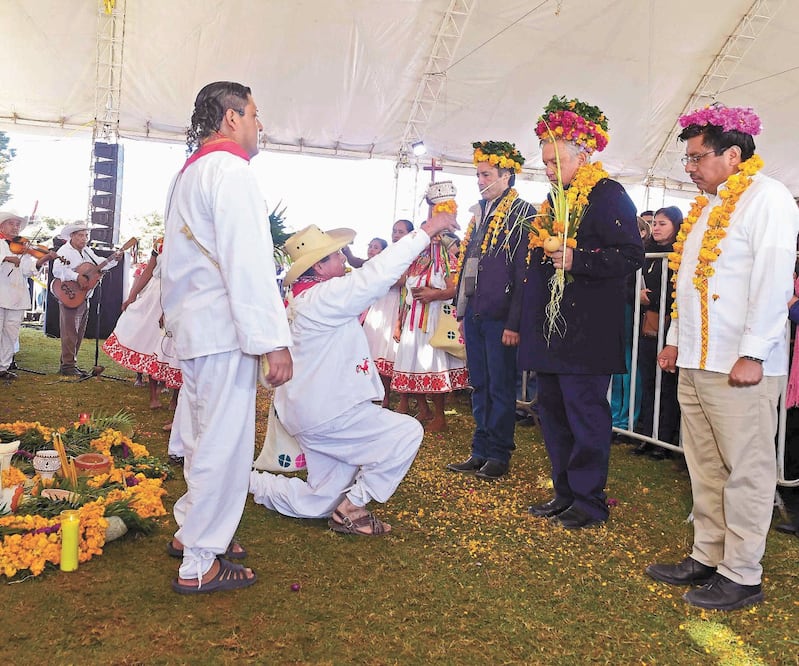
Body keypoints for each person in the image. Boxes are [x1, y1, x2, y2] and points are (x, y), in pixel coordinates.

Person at [645, 103, 799, 611]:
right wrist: (672, 338)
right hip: (695, 359)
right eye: (686, 159)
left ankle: (743, 572)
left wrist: (754, 353)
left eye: (697, 157)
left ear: (734, 155)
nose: (689, 167)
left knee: (745, 469)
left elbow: (773, 281)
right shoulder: (706, 206)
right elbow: (688, 288)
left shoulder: (769, 198)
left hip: (739, 365)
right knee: (704, 465)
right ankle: (707, 555)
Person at [160, 81, 293, 594]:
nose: (261, 125)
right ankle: (199, 561)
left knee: (199, 436)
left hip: (198, 326)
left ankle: (192, 529)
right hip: (222, 328)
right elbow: (248, 262)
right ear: (232, 118)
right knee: (223, 443)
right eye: (256, 114)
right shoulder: (231, 171)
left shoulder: (189, 172)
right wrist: (272, 340)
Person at [250, 212, 458, 535]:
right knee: (406, 434)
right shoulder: (322, 298)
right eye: (335, 256)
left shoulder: (305, 297)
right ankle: (353, 507)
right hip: (330, 412)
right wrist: (426, 231)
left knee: (320, 499)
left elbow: (369, 281)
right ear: (318, 267)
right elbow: (374, 276)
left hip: (312, 410)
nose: (343, 260)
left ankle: (247, 482)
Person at [520, 96, 644, 529]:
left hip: (586, 334)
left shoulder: (608, 194)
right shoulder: (555, 201)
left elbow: (631, 255)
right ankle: (564, 494)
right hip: (553, 334)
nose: (549, 171)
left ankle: (590, 503)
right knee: (552, 414)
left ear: (584, 155)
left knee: (585, 417)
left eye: (555, 162)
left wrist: (580, 260)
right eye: (546, 164)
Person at [446, 141, 535, 480]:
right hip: (476, 312)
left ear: (507, 176)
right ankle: (480, 449)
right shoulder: (480, 213)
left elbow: (523, 271)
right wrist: (461, 306)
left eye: (486, 175)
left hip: (501, 316)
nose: (480, 181)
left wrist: (515, 321)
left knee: (500, 386)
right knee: (480, 385)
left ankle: (499, 454)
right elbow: (470, 264)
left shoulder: (522, 212)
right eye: (478, 175)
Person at [390, 212, 469, 432]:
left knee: (432, 366)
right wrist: (400, 321)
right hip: (413, 319)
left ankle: (440, 416)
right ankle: (423, 408)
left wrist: (433, 295)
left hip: (433, 318)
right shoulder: (415, 261)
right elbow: (405, 293)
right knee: (411, 364)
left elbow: (455, 289)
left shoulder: (447, 259)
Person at [102, 237, 182, 423]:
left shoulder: (190, 240)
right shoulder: (160, 242)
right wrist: (131, 296)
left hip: (176, 295)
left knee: (173, 346)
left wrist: (171, 307)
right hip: (154, 296)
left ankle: (175, 398)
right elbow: (147, 272)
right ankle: (153, 395)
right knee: (150, 340)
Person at [632, 206, 683, 459]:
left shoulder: (679, 254)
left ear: (676, 226)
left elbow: (672, 292)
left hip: (669, 328)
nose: (657, 227)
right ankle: (646, 435)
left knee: (667, 384)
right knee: (648, 381)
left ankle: (664, 438)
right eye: (655, 224)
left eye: (663, 223)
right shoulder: (646, 252)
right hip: (647, 327)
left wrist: (648, 298)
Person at [52, 222, 122, 377]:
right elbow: (57, 270)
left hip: (83, 296)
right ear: (72, 236)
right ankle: (68, 365)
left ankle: (69, 363)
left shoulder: (87, 251)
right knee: (70, 331)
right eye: (81, 235)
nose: (84, 239)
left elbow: (100, 263)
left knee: (78, 331)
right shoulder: (64, 251)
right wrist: (77, 276)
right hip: (70, 294)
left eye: (86, 235)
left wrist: (114, 259)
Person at [361, 220, 414, 406]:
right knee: (371, 350)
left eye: (401, 231)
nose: (396, 235)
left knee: (388, 351)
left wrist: (379, 280)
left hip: (395, 305)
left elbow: (402, 280)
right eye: (394, 231)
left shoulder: (411, 253)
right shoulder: (389, 253)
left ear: (410, 234)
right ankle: (368, 394)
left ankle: (386, 397)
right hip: (378, 304)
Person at [0, 211, 55, 379]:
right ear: (2, 225)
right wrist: (7, 258)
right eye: (12, 223)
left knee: (11, 333)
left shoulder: (23, 247)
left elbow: (27, 270)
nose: (16, 227)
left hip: (17, 295)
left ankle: (3, 366)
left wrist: (42, 260)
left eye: (18, 224)